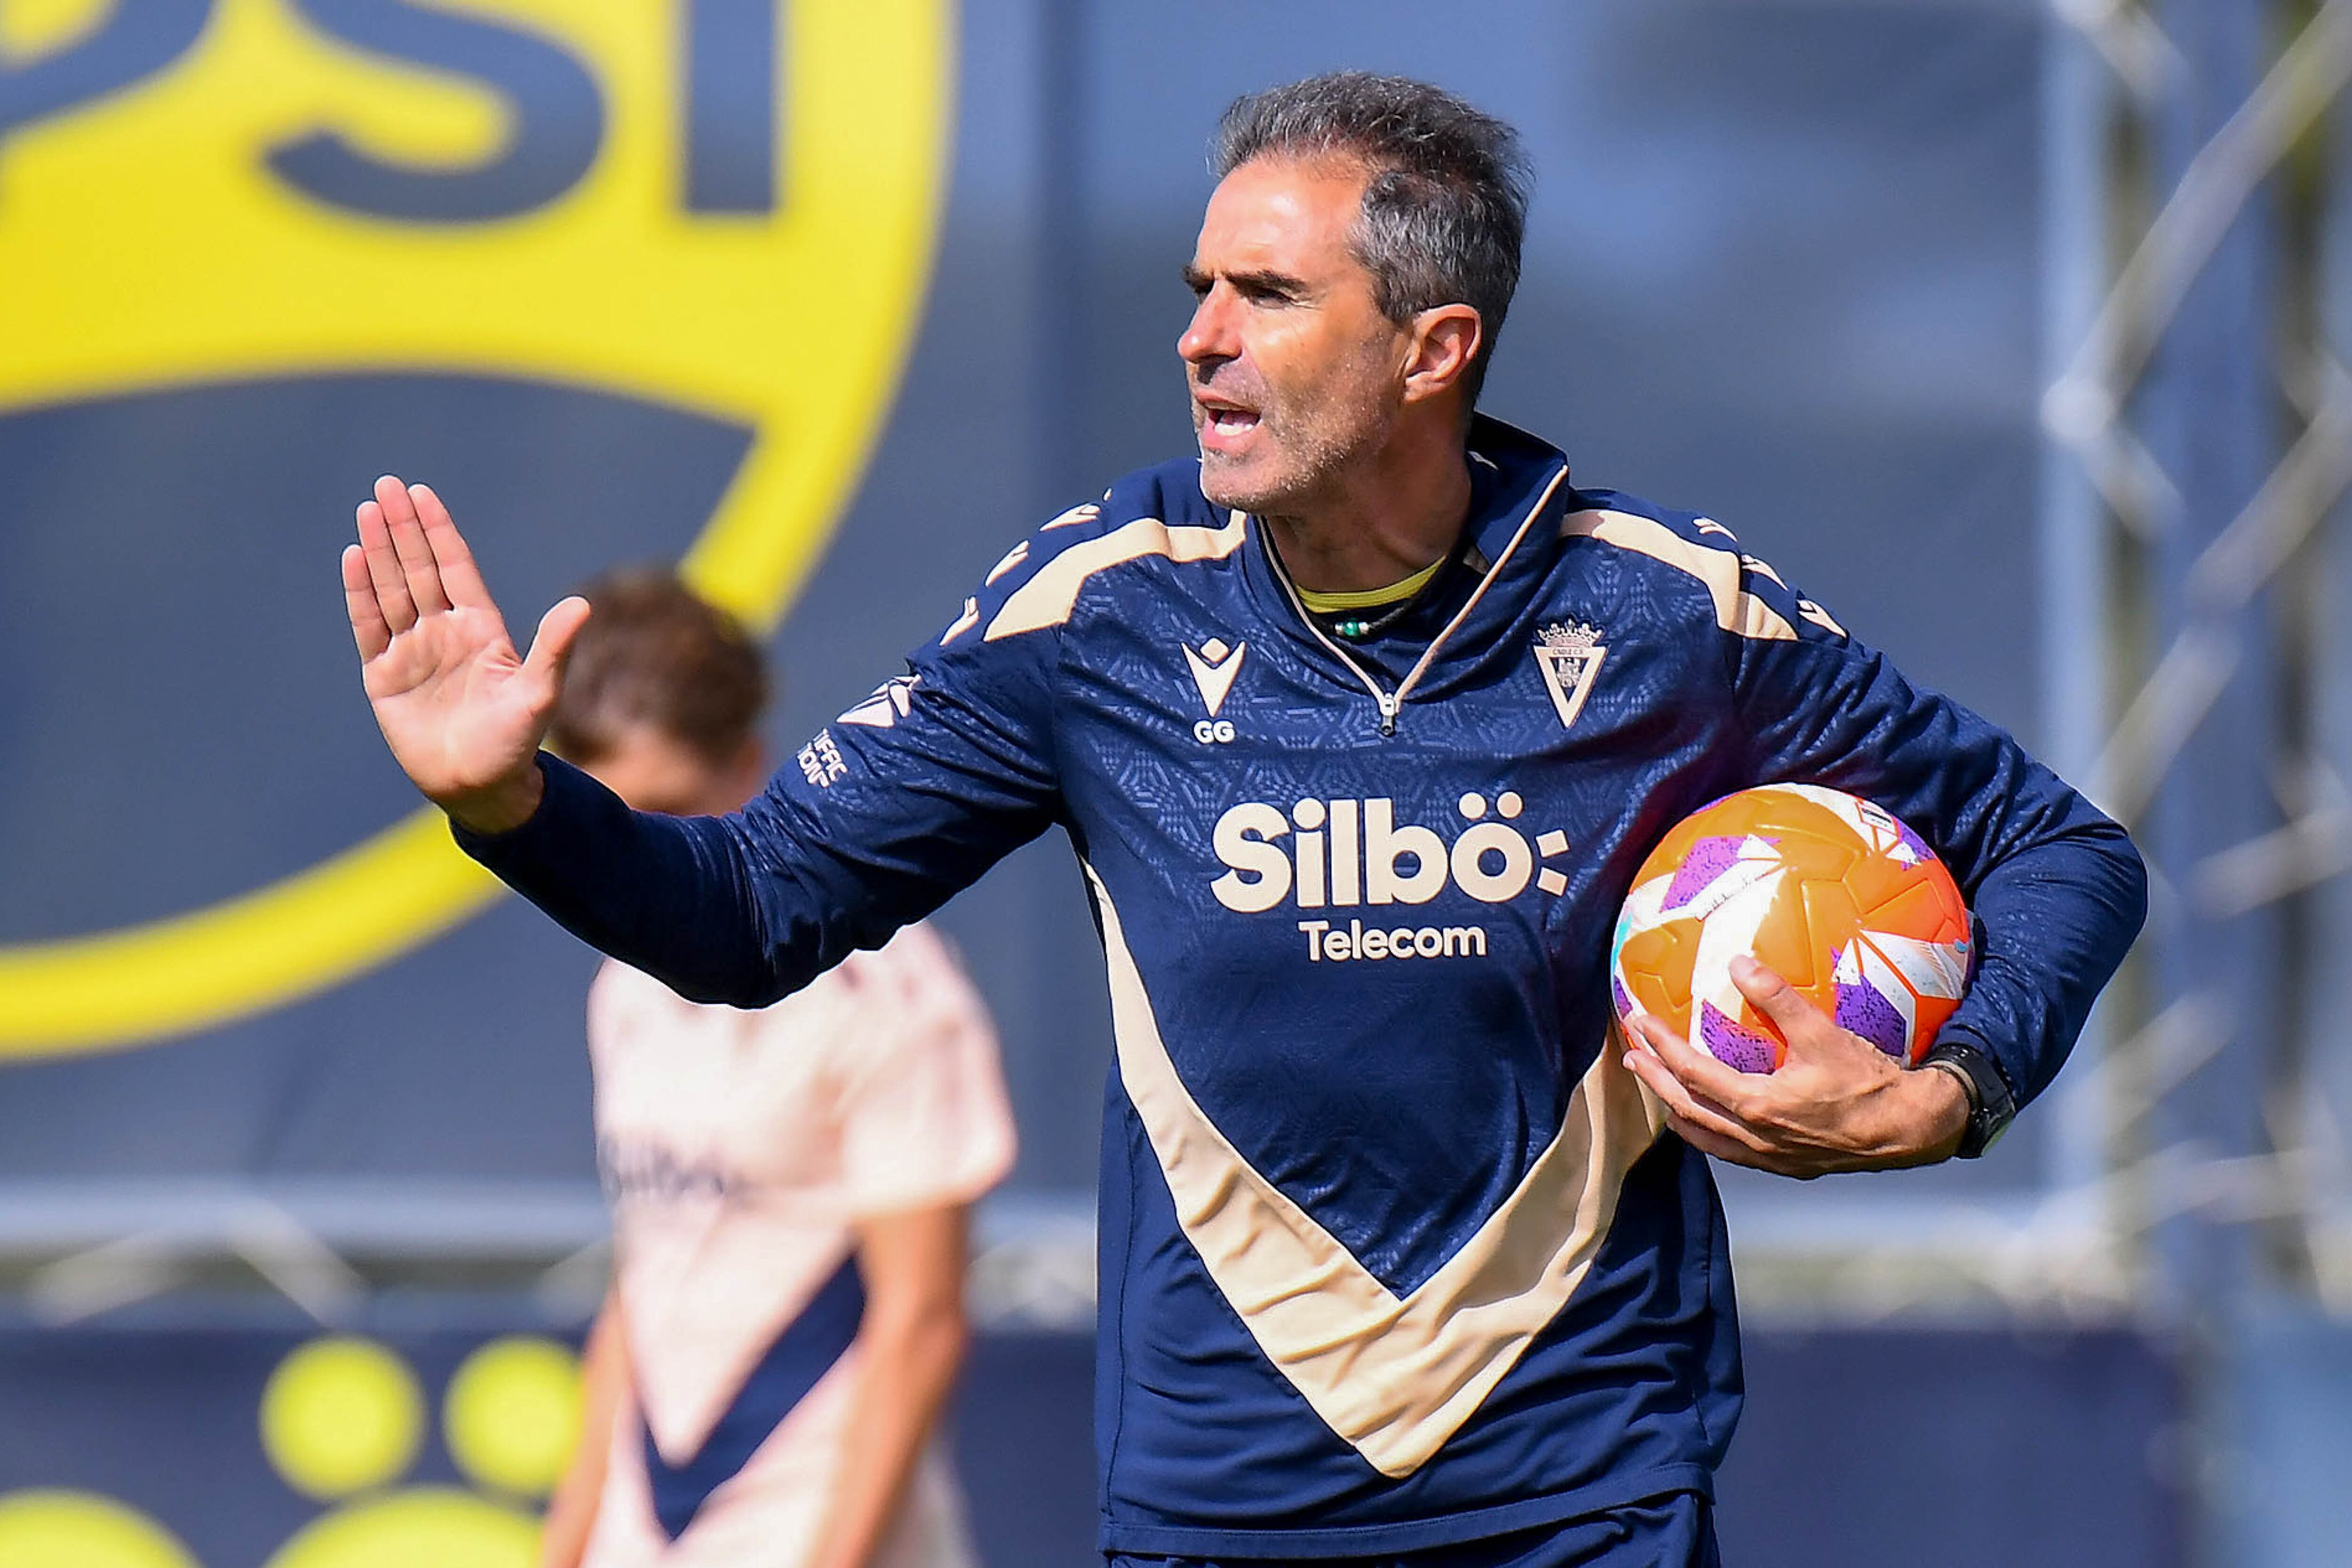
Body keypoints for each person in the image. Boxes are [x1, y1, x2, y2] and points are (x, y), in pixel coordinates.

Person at [342, 72, 2146, 1568]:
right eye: (1200, 288)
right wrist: (512, 799)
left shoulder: (1673, 617)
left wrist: (1951, 1083)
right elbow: (748, 912)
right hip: (1223, 1504)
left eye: (1268, 298)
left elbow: (2063, 850)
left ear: (1436, 345)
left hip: (1581, 1492)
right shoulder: (1101, 612)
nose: (1201, 339)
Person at [524, 571, 1016, 1568]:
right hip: (649, 1524)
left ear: (749, 770)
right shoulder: (623, 984)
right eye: (607, 824)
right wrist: (568, 1539)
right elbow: (651, 1273)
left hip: (822, 1522)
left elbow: (919, 1324)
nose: (633, 857)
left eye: (662, 810)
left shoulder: (890, 989)